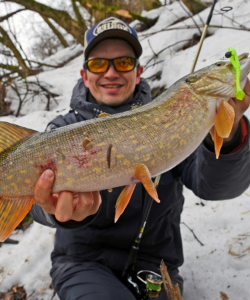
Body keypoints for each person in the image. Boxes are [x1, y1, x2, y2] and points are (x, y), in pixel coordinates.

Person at [30, 17, 250, 300]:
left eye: (123, 62)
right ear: (84, 75)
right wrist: (55, 211)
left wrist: (228, 136)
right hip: (83, 264)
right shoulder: (61, 131)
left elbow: (217, 188)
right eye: (99, 64)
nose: (111, 72)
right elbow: (31, 197)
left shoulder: (172, 118)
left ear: (138, 71)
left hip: (157, 266)